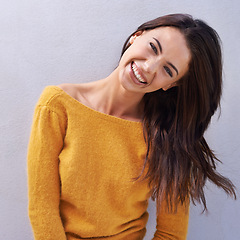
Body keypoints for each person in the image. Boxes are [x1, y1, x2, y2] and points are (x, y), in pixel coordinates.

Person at [27, 13, 236, 240]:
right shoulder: (57, 106)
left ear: (172, 84)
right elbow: (42, 207)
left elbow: (171, 234)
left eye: (168, 70)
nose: (149, 67)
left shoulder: (165, 137)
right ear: (136, 37)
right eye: (153, 48)